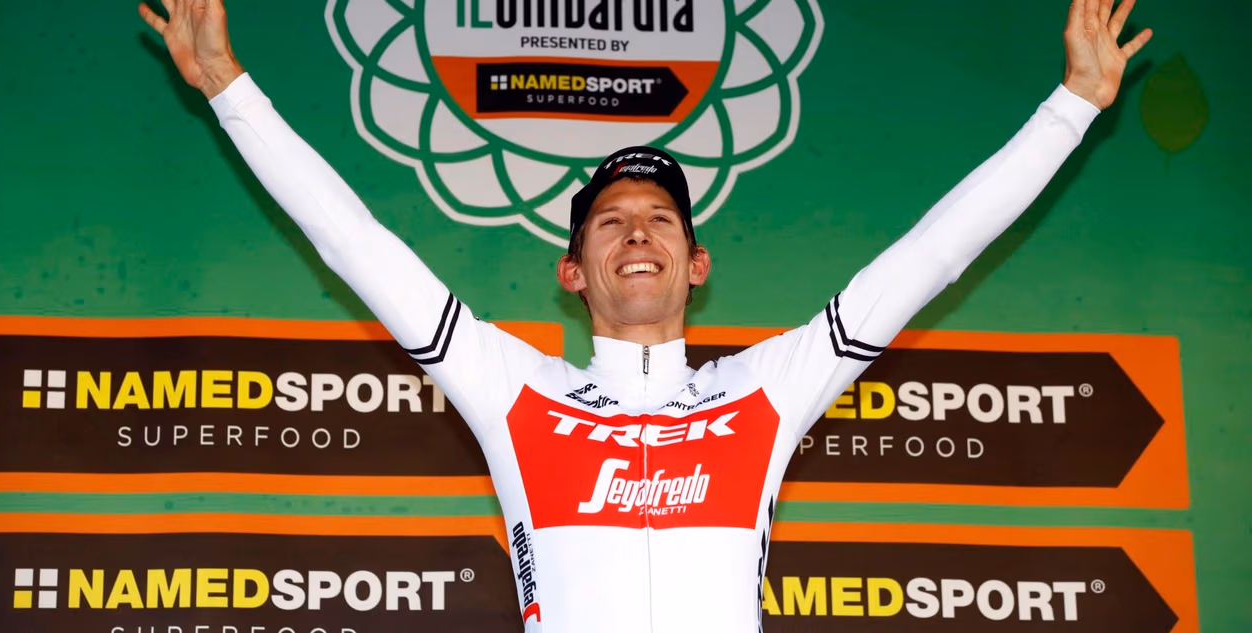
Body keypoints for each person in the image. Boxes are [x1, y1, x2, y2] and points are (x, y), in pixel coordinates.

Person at [138, 0, 1151, 631]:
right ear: (570, 270)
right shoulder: (511, 388)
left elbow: (928, 257)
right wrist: (228, 89)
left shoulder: (765, 388)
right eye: (609, 222)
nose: (635, 233)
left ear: (694, 263)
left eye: (659, 219)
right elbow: (357, 246)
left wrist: (1069, 106)